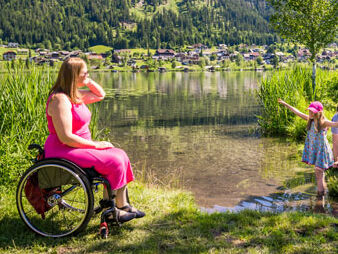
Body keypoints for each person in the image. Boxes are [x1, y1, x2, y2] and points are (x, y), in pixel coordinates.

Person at [44, 57, 145, 222]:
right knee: (113, 161)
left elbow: (101, 94)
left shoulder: (74, 95)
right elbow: (66, 137)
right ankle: (111, 209)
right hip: (64, 149)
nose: (88, 75)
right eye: (85, 73)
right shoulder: (59, 100)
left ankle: (121, 204)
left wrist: (87, 80)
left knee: (121, 155)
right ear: (74, 76)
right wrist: (96, 145)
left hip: (78, 147)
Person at [278, 99, 338, 198]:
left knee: (318, 171)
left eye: (312, 111)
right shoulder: (309, 120)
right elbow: (297, 112)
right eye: (309, 110)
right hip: (315, 150)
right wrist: (285, 104)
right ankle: (322, 194)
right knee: (319, 173)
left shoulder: (323, 122)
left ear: (318, 113)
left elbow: (336, 124)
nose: (309, 112)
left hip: (321, 151)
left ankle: (320, 197)